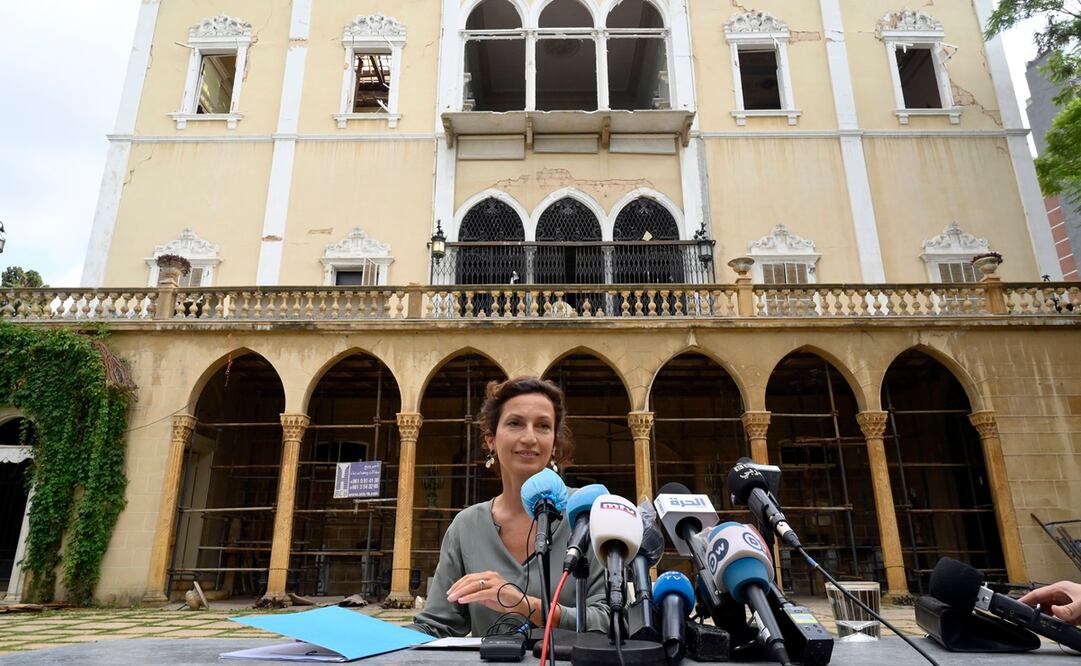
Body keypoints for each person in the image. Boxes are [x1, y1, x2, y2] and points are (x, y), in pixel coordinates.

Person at [410, 376, 611, 638]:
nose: (529, 438)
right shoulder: (466, 526)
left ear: (553, 444)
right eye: (515, 423)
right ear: (491, 440)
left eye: (543, 426)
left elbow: (611, 620)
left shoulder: (587, 514)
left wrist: (524, 605)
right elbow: (436, 626)